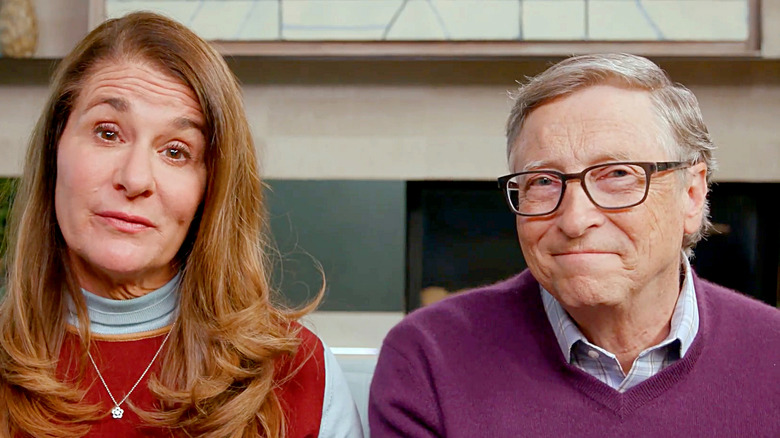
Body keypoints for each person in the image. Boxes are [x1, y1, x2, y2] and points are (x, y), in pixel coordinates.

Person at [369, 53, 780, 436]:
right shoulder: (428, 357)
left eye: (618, 174)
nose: (575, 219)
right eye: (544, 182)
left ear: (691, 195)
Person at [0, 11, 363, 438]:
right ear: (54, 148)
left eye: (176, 151)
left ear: (211, 188)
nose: (134, 179)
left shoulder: (299, 375)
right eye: (107, 132)